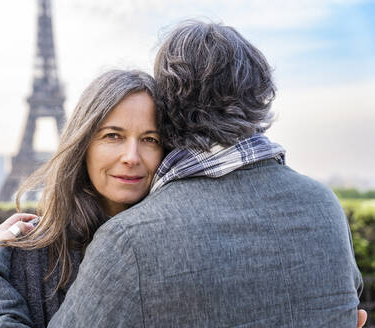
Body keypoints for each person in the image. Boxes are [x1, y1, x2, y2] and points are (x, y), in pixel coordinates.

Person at [46, 21, 365, 327]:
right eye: (112, 136)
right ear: (260, 97)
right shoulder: (324, 204)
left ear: (167, 107)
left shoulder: (128, 241)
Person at [0, 69, 164, 327]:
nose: (131, 157)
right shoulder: (28, 254)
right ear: (83, 143)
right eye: (113, 136)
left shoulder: (176, 246)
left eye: (150, 139)